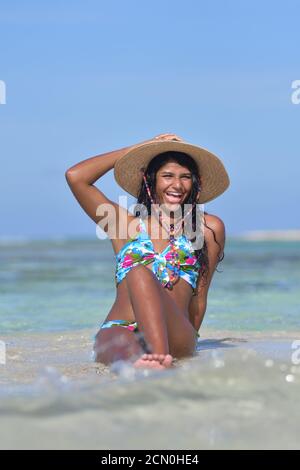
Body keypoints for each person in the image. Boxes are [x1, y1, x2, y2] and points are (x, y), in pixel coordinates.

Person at [65, 133, 230, 370]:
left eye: (185, 177)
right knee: (117, 351)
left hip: (175, 330)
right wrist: (140, 148)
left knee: (138, 273)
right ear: (149, 180)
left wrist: (189, 342)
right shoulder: (124, 225)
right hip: (121, 326)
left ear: (195, 182)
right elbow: (76, 177)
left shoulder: (207, 228)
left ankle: (159, 358)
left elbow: (199, 299)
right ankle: (138, 374)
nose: (177, 184)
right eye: (167, 176)